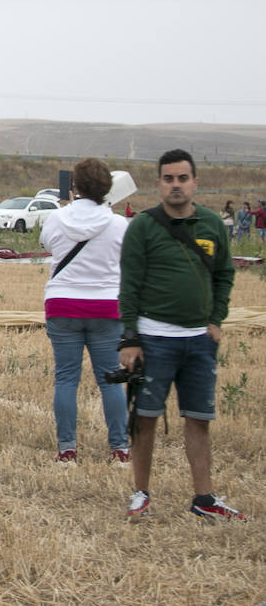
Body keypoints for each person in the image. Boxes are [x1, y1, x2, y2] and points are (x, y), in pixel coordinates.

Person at [118, 149, 243, 520]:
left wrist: (216, 320)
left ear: (195, 182)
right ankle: (141, 492)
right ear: (159, 183)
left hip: (199, 341)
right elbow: (130, 284)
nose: (176, 185)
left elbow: (224, 275)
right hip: (154, 338)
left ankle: (203, 499)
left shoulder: (211, 225)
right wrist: (130, 338)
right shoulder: (142, 226)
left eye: (182, 178)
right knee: (145, 417)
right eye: (169, 179)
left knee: (199, 419)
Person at [40, 158, 129, 464]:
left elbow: (47, 245)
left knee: (66, 379)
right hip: (106, 306)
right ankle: (120, 448)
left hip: (63, 304)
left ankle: (67, 448)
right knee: (110, 379)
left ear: (74, 186)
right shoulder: (119, 223)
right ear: (107, 188)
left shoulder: (57, 218)